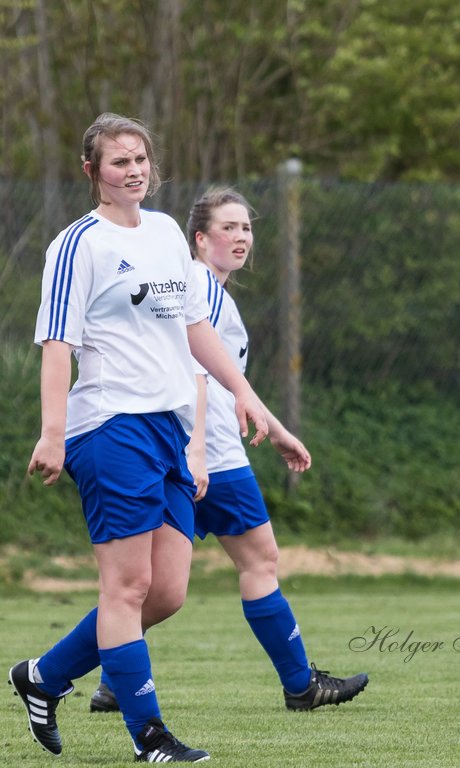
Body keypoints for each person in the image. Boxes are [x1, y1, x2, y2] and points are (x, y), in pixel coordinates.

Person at [9, 114, 269, 763]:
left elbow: (194, 329)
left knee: (166, 593)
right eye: (118, 161)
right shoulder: (78, 244)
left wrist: (242, 392)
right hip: (109, 426)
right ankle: (149, 736)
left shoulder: (164, 234)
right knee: (125, 588)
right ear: (91, 170)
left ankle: (43, 676)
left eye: (141, 159)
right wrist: (53, 432)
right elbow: (56, 344)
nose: (133, 170)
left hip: (169, 429)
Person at [87, 187, 369, 715]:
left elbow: (226, 380)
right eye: (228, 228)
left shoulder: (213, 292)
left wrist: (275, 427)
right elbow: (192, 374)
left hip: (185, 450)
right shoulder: (198, 286)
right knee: (255, 560)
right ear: (199, 238)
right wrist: (196, 451)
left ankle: (105, 676)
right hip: (209, 455)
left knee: (150, 590)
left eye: (247, 228)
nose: (241, 237)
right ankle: (300, 684)